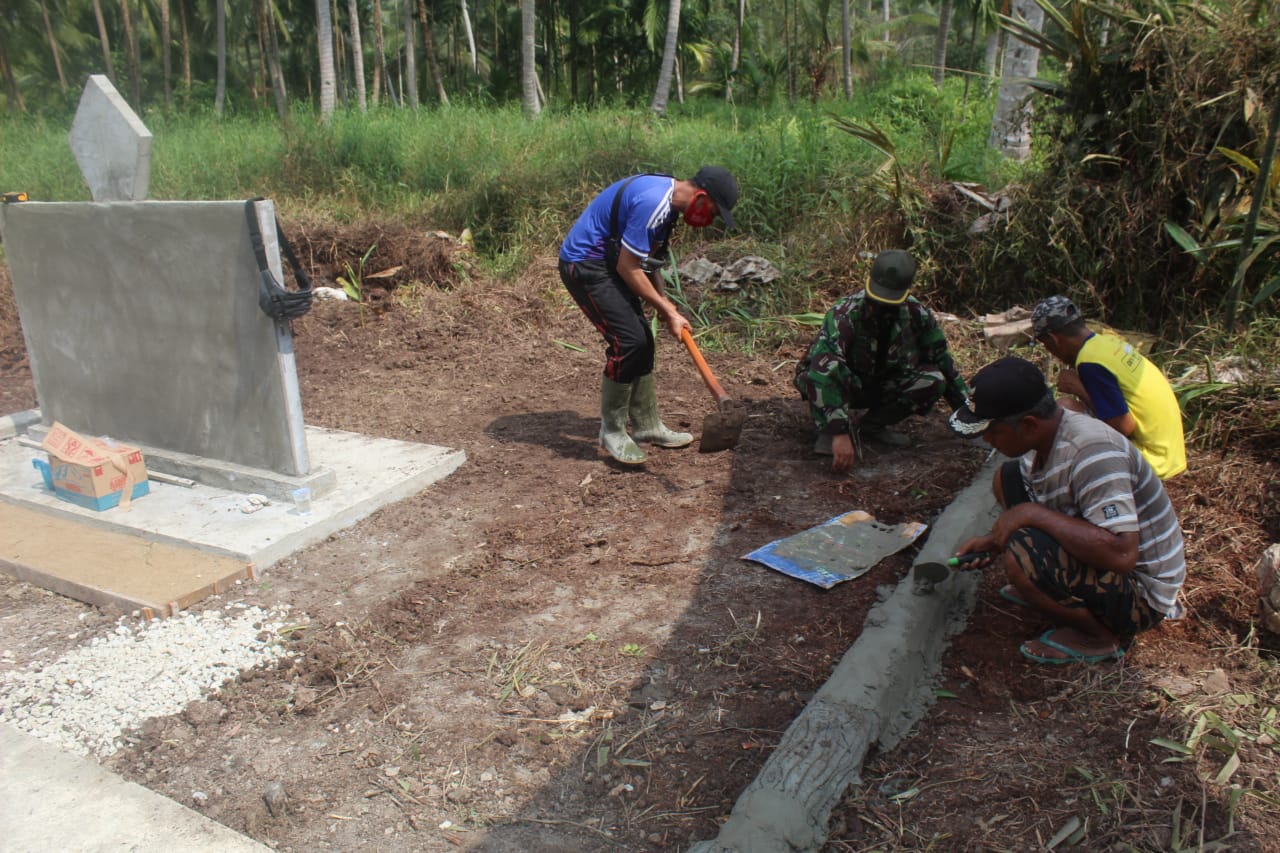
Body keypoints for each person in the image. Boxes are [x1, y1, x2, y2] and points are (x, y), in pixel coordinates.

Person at [949, 356, 1186, 664]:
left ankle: (1099, 637)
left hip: (1142, 594)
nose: (986, 439)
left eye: (992, 431)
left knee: (1024, 552)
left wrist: (1031, 517)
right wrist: (994, 541)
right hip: (1106, 555)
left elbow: (1123, 555)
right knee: (1007, 478)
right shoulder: (1050, 437)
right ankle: (1046, 584)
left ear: (1029, 425)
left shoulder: (1093, 453)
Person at [559, 167, 739, 465]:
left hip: (610, 262)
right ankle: (613, 431)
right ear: (702, 197)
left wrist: (665, 306)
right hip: (585, 265)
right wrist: (668, 310)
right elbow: (628, 267)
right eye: (714, 213)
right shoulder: (653, 202)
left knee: (643, 339)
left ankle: (646, 426)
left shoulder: (669, 211)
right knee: (628, 341)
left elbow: (648, 263)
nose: (711, 221)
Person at [794, 250, 968, 474]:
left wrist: (967, 413)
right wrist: (838, 432)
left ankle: (871, 426)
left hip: (880, 384)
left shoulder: (918, 315)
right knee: (828, 368)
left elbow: (943, 361)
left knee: (932, 379)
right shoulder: (845, 313)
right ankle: (829, 428)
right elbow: (823, 370)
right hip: (841, 385)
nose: (881, 307)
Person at [1031, 295, 1186, 479]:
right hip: (1172, 454)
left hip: (1153, 462)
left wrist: (1078, 388)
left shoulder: (1090, 363)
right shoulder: (1107, 343)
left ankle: (1049, 481)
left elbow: (1123, 426)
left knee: (1064, 410)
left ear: (1053, 339)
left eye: (1045, 344)